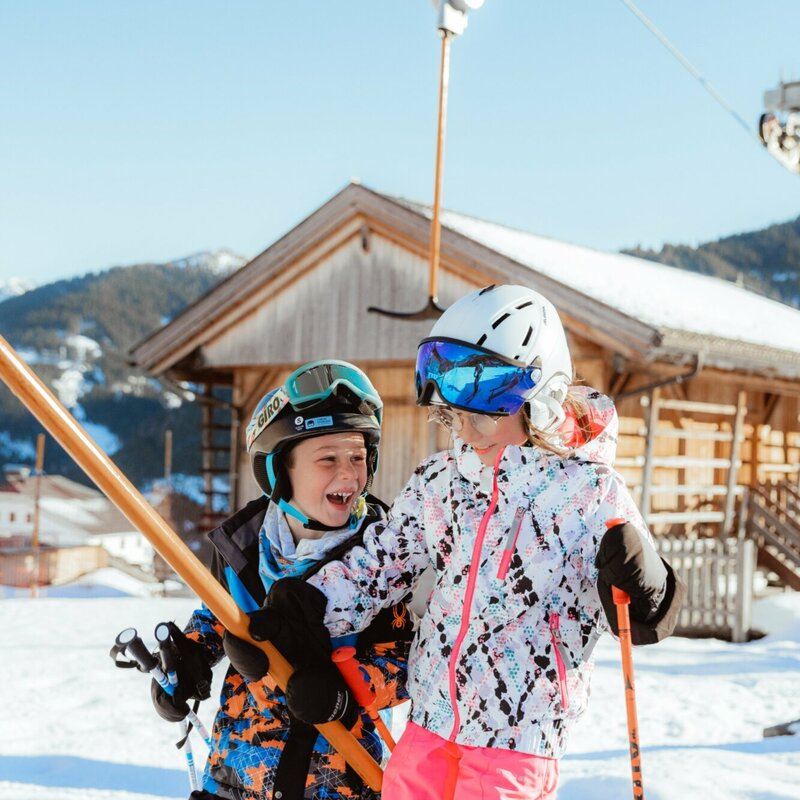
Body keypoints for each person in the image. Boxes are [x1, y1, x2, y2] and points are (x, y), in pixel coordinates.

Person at [260, 285, 686, 799]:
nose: (466, 431)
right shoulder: (444, 480)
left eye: (482, 415)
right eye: (453, 416)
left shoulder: (589, 492)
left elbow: (639, 608)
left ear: (541, 402)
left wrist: (645, 585)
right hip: (431, 721)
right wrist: (305, 608)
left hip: (518, 737)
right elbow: (378, 563)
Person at [147, 360, 415, 800]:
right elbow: (216, 619)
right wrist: (187, 659)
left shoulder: (382, 555)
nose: (348, 473)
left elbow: (404, 659)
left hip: (336, 781)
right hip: (236, 775)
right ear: (278, 472)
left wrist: (342, 695)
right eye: (327, 459)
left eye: (358, 457)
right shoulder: (242, 547)